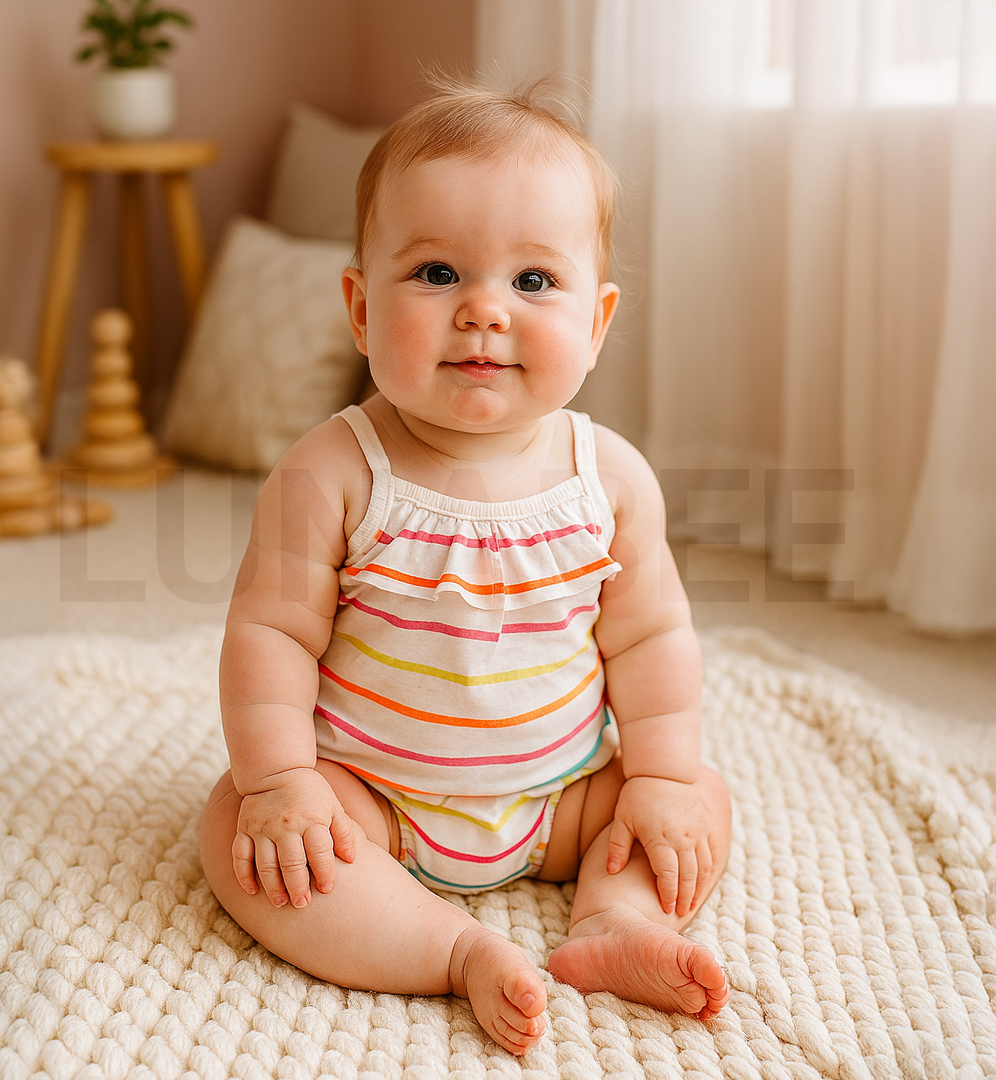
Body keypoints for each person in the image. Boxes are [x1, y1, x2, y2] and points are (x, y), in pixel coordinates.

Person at [199, 77, 732, 1056]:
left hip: (564, 799)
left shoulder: (607, 479)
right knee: (241, 833)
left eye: (533, 282)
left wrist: (656, 773)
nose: (485, 311)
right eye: (438, 273)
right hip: (373, 798)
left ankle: (617, 921)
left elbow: (654, 636)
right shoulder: (333, 473)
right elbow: (269, 632)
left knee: (694, 795)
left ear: (597, 322)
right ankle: (446, 946)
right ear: (360, 309)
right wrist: (281, 781)